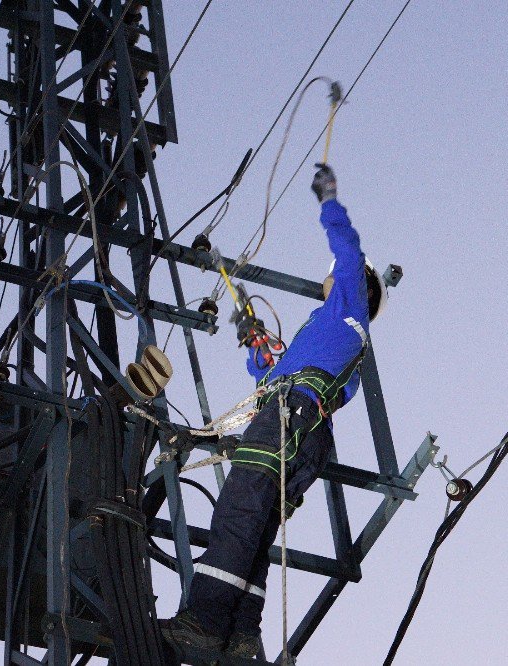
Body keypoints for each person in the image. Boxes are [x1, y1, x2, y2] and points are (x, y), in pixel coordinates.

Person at [160, 164, 386, 658]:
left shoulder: (350, 301)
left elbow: (349, 251)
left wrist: (329, 199)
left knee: (241, 507)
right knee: (258, 526)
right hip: (305, 427)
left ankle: (202, 621)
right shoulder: (336, 335)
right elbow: (270, 377)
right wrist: (257, 350)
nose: (327, 277)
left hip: (291, 417)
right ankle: (242, 636)